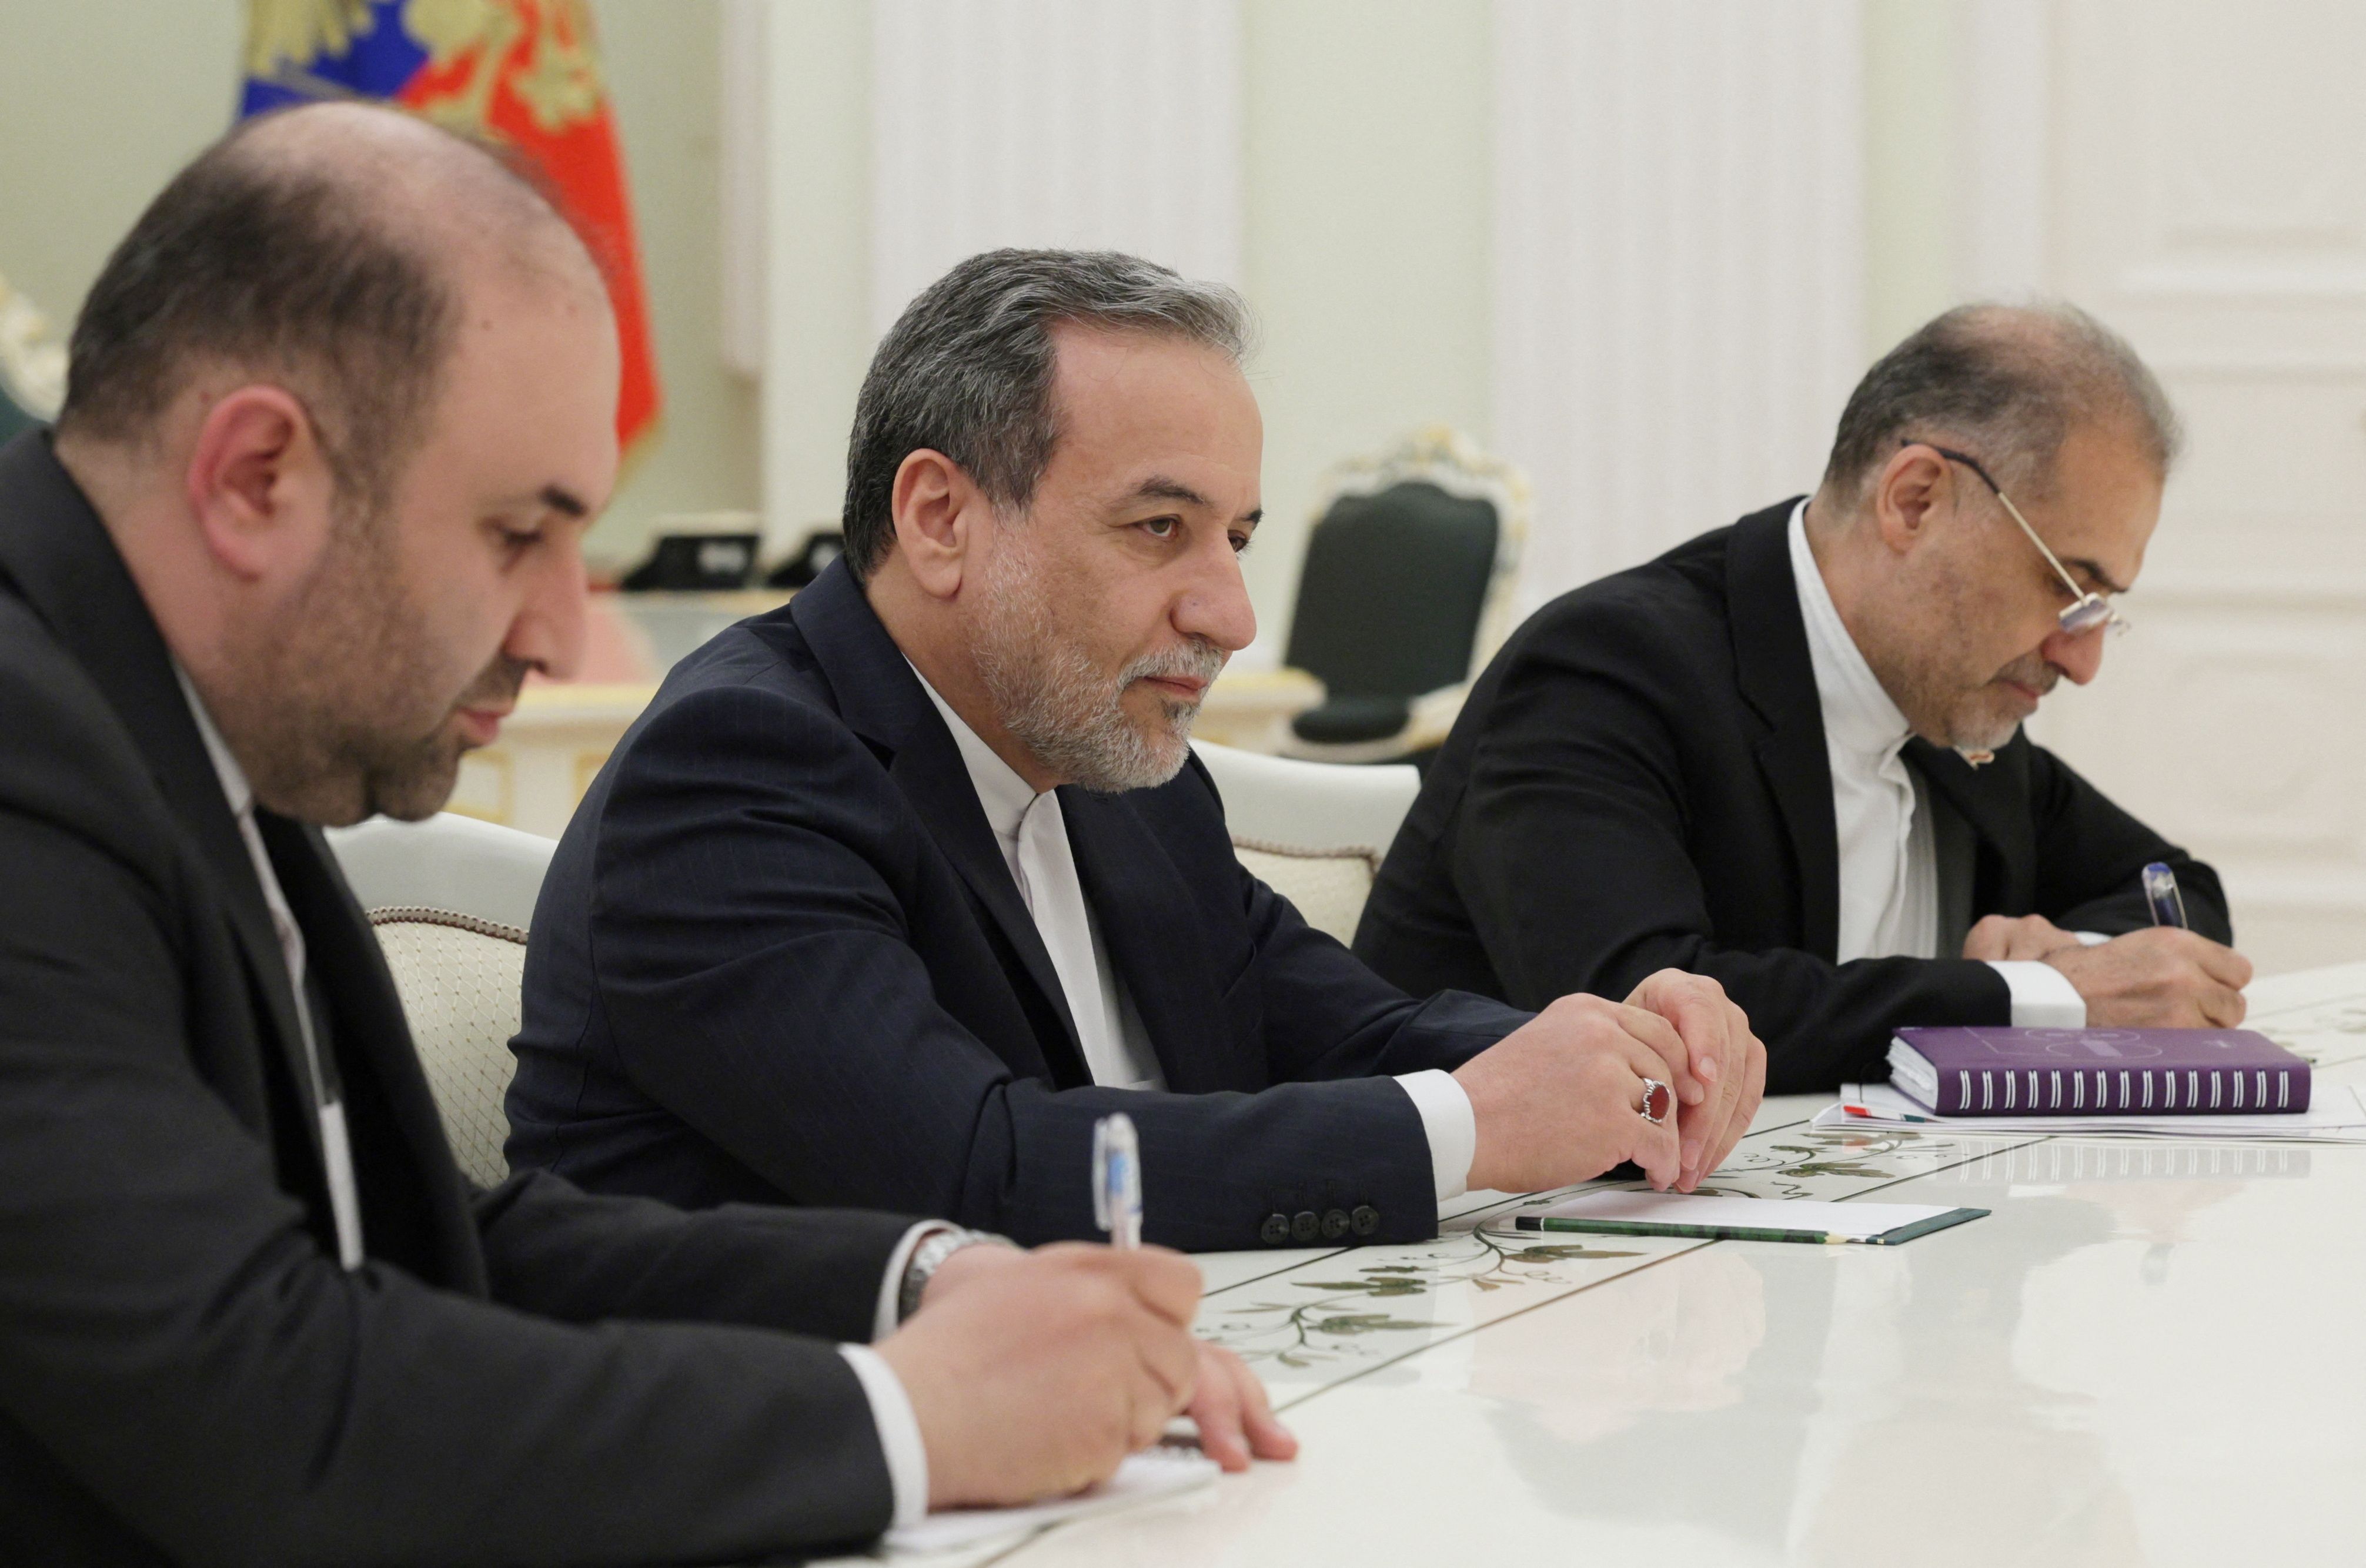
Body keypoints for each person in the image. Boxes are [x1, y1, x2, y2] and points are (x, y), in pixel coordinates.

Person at [0, 105, 1285, 1564]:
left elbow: (417, 1245)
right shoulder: (31, 756)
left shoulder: (161, 717)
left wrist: (923, 1278)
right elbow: (258, 1408)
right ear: (252, 479)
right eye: (514, 535)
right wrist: (908, 1420)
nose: (561, 630)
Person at [508, 250, 1767, 1252]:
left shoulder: (1111, 762)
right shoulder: (740, 767)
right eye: (1160, 527)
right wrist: (1475, 1119)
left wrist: (1618, 1058)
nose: (1230, 613)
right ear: (939, 518)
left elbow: (1353, 1034)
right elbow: (979, 1169)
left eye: (1234, 537)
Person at [1354, 303, 2248, 1092]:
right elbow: (1650, 1018)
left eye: (2102, 611)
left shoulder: (1952, 711)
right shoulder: (1606, 669)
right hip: (1510, 1254)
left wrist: (2075, 957)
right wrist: (2041, 999)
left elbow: (2175, 889)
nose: (2082, 660)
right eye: (2068, 585)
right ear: (1916, 499)